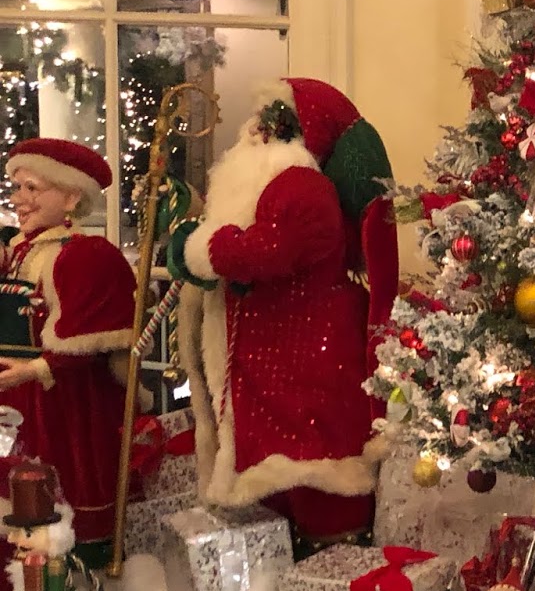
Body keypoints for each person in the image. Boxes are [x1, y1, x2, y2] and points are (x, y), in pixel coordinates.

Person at [167, 77, 398, 550]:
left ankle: (328, 575)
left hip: (306, 368)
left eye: (271, 121)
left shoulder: (301, 186)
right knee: (281, 499)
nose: (253, 131)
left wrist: (204, 248)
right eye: (257, 119)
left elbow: (270, 250)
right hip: (281, 367)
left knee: (319, 488)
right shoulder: (274, 186)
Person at [1, 138, 136, 563]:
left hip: (61, 405)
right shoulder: (19, 251)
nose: (18, 199)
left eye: (32, 188)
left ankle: (71, 571)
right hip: (16, 399)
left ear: (72, 197)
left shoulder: (85, 255)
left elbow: (85, 338)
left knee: (55, 492)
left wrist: (32, 370)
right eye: (17, 187)